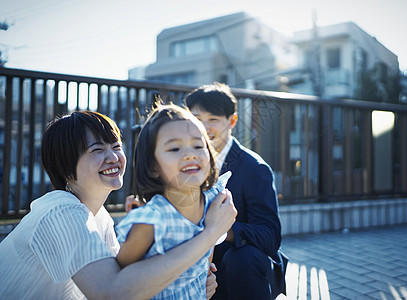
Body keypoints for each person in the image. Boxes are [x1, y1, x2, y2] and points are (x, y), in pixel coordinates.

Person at [0, 110, 236, 299]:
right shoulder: (61, 211)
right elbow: (112, 292)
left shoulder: (99, 216)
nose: (113, 158)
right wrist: (210, 233)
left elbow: (130, 282)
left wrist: (186, 279)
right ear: (66, 168)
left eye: (115, 147)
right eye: (97, 150)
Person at [115, 103, 232, 299]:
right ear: (153, 166)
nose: (190, 154)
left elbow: (207, 256)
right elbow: (120, 282)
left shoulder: (215, 198)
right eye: (175, 148)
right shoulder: (151, 221)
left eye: (197, 145)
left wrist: (204, 276)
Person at [185, 82, 288, 300]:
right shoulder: (184, 162)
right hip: (198, 260)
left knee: (243, 258)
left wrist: (222, 229)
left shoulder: (254, 169)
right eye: (196, 119)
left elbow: (270, 236)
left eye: (213, 119)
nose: (203, 128)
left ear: (232, 121)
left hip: (241, 266)